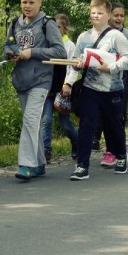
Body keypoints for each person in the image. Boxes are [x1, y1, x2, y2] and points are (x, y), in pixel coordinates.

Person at [66, 0, 128, 180]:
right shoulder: (83, 37)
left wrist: (111, 67)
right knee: (87, 125)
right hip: (90, 88)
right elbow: (74, 62)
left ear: (109, 15)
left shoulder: (116, 36)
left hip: (112, 90)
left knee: (114, 125)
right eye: (93, 12)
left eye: (100, 13)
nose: (96, 16)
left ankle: (121, 155)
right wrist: (73, 74)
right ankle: (82, 166)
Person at [4, 0, 66, 181]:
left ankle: (26, 164)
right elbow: (9, 43)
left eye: (31, 2)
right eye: (24, 2)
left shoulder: (47, 24)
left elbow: (60, 52)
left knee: (30, 121)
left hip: (41, 80)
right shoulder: (15, 23)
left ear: (39, 2)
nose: (27, 6)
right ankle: (39, 163)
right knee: (33, 124)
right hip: (21, 80)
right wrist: (11, 51)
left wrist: (33, 52)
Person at [92, 2, 128, 167]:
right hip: (99, 79)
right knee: (102, 115)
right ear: (109, 15)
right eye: (116, 15)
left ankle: (117, 150)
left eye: (122, 15)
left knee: (117, 116)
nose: (119, 18)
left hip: (120, 80)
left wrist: (115, 62)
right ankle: (109, 150)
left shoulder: (127, 34)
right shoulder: (98, 34)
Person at [41, 13, 80, 164]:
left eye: (58, 27)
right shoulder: (47, 44)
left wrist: (68, 84)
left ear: (65, 29)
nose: (55, 30)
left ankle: (76, 141)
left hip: (62, 89)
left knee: (65, 123)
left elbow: (72, 68)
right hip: (49, 87)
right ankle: (46, 150)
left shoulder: (70, 46)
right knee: (46, 120)